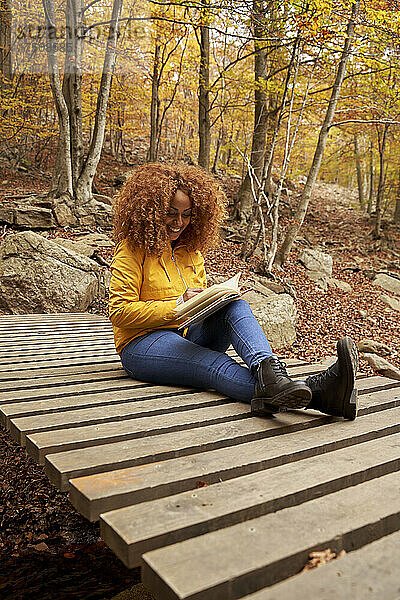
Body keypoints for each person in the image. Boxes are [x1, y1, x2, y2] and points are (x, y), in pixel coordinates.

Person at [109, 162, 358, 419]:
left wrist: (213, 300)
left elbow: (200, 307)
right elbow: (119, 311)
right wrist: (176, 305)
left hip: (186, 334)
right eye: (171, 213)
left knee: (234, 305)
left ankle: (269, 371)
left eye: (187, 214)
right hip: (142, 345)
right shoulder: (132, 248)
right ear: (151, 211)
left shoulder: (191, 252)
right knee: (212, 364)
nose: (179, 222)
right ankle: (320, 394)